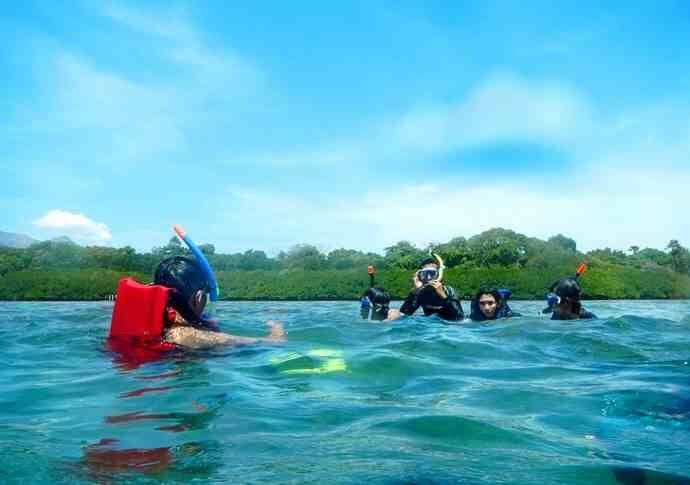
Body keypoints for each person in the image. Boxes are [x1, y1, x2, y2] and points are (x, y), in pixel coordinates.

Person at [155, 256, 286, 349]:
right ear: (198, 297)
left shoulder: (157, 324)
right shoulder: (194, 336)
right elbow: (275, 343)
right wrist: (277, 327)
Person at [394, 256, 464, 322]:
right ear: (419, 276)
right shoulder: (420, 292)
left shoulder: (449, 291)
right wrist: (415, 291)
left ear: (439, 275)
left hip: (448, 328)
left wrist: (443, 295)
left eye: (432, 274)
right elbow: (404, 315)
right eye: (424, 274)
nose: (429, 278)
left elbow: (460, 318)